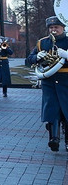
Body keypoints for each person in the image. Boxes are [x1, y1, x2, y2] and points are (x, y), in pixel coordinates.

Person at [27, 16, 68, 152]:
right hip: (49, 81)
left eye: (56, 27)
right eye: (51, 28)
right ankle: (54, 139)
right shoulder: (42, 43)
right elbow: (29, 60)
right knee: (51, 109)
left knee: (66, 110)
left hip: (65, 79)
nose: (53, 30)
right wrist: (36, 58)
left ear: (63, 27)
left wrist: (66, 55)